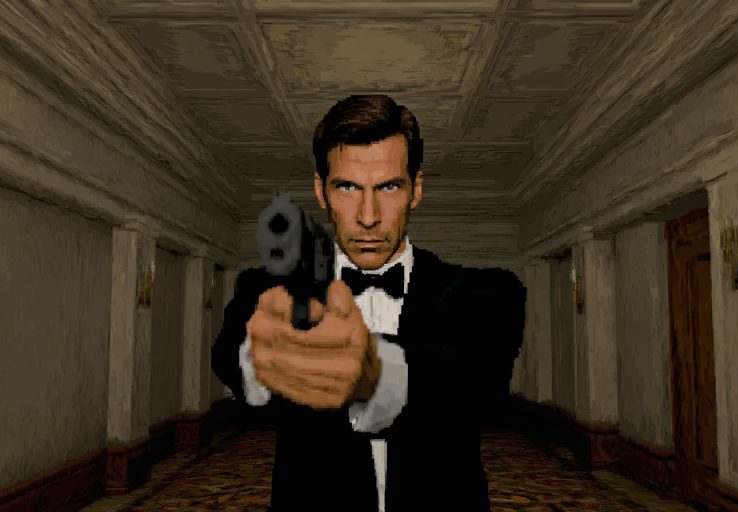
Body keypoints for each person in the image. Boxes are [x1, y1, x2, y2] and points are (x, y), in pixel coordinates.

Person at [211, 94, 527, 512]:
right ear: (321, 191)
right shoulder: (265, 289)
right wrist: (264, 357)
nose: (368, 216)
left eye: (389, 186)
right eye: (347, 187)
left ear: (416, 189)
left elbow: (473, 382)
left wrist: (364, 367)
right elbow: (230, 358)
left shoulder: (485, 293)